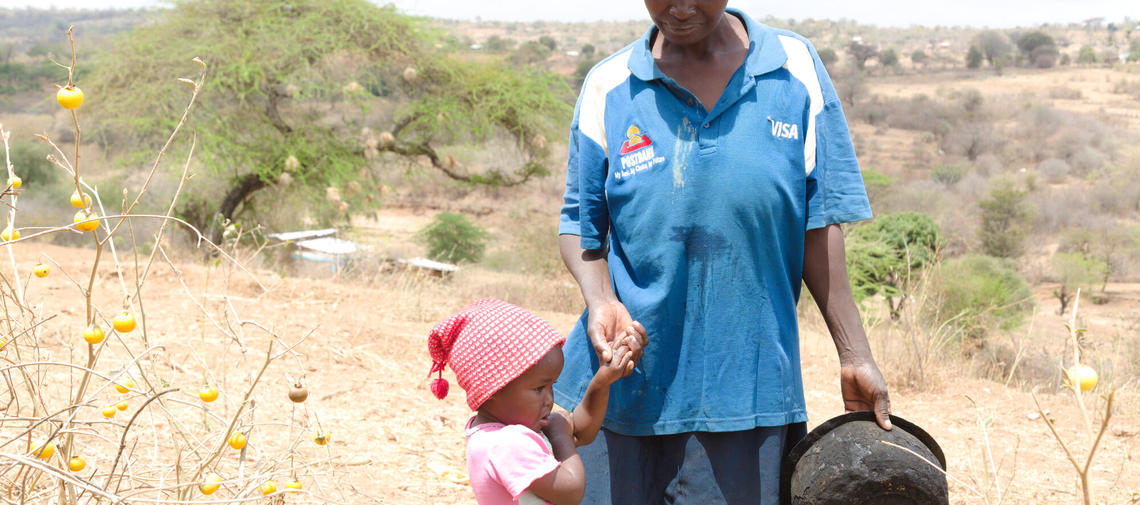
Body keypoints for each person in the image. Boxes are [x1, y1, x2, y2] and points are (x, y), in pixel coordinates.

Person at [554, 1, 891, 504]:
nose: (678, 5)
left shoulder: (793, 68)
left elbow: (819, 221)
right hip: (617, 390)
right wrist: (601, 300)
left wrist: (855, 352)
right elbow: (580, 226)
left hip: (747, 394)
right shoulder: (610, 84)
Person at [427, 298, 645, 505]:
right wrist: (560, 436)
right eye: (539, 388)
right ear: (493, 389)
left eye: (552, 385)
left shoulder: (504, 430)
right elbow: (571, 491)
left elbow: (581, 431)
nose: (550, 399)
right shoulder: (507, 444)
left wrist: (602, 381)